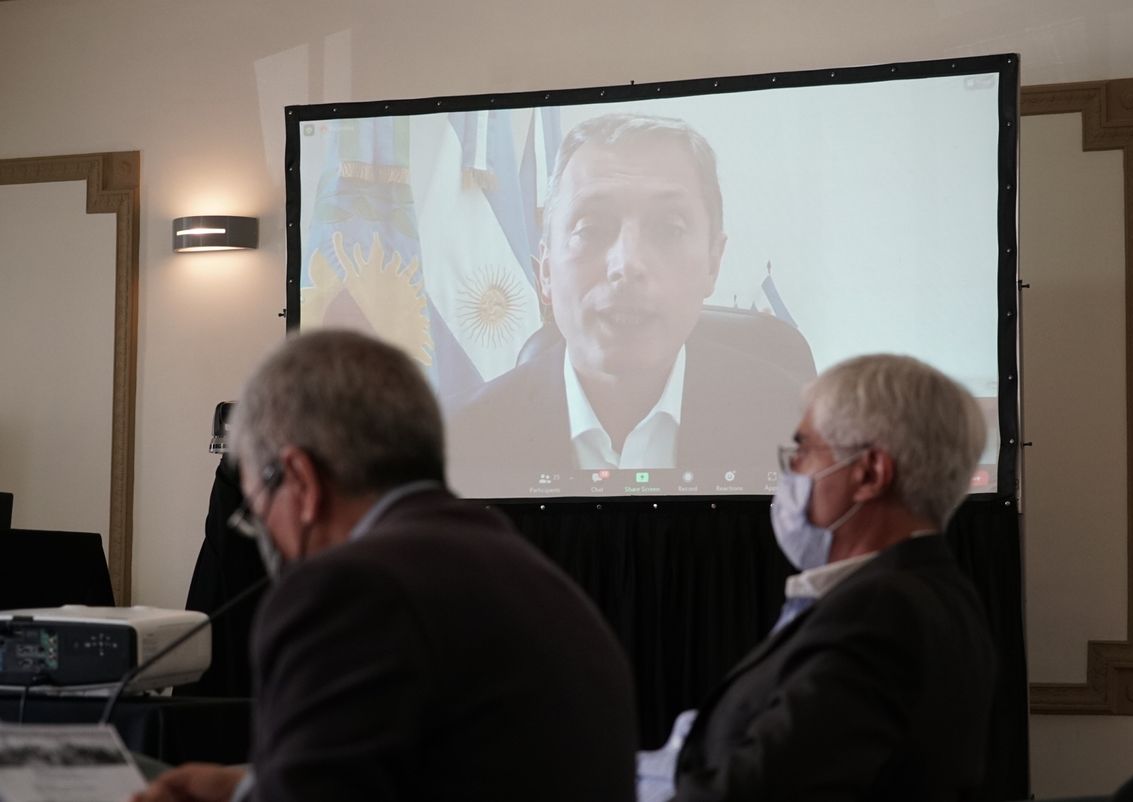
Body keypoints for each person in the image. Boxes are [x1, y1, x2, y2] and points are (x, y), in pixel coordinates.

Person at [133, 329, 637, 802]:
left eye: (257, 509)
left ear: (300, 479)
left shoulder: (349, 592)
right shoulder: (531, 575)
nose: (266, 533)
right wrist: (246, 789)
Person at [668, 353, 997, 802]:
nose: (791, 471)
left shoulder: (881, 615)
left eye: (804, 450)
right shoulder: (931, 592)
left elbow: (757, 790)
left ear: (869, 473)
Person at [448, 113, 813, 494]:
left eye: (669, 228)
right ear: (546, 272)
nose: (627, 264)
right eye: (590, 228)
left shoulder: (804, 433)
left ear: (712, 262)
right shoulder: (452, 446)